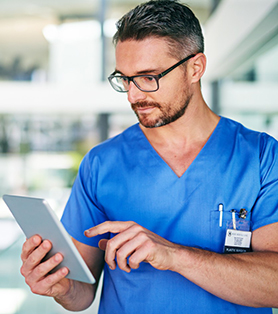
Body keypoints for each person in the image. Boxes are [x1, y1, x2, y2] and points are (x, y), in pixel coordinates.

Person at [20, 0, 278, 313]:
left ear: (195, 67)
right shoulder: (102, 164)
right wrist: (60, 286)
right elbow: (82, 293)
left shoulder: (262, 157)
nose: (133, 95)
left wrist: (174, 256)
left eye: (148, 77)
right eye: (125, 79)